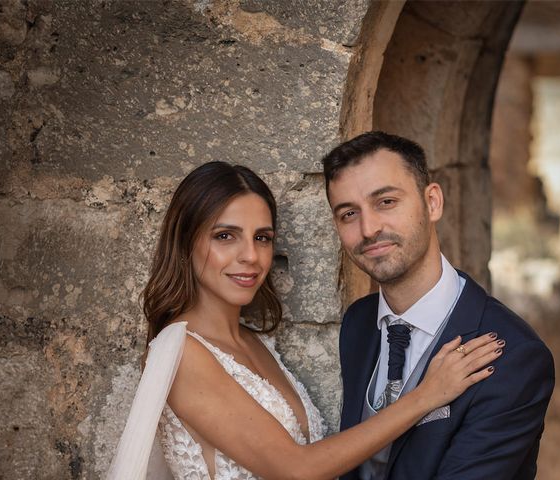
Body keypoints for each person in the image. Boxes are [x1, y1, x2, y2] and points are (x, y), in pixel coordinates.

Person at [107, 161, 504, 480]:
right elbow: (297, 468)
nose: (250, 256)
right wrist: (427, 395)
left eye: (262, 237)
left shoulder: (255, 344)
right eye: (225, 236)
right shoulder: (182, 355)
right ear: (186, 242)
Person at [322, 131, 555, 480]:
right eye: (348, 214)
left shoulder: (514, 355)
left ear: (432, 202)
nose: (368, 229)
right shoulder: (357, 323)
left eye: (386, 202)